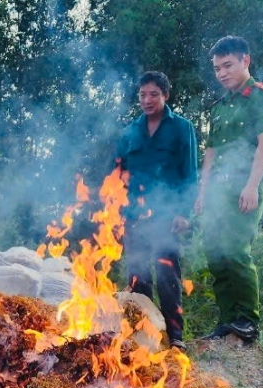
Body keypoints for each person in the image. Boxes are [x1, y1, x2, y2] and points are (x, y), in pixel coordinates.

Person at [196, 36, 263, 342]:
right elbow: (210, 153)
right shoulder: (219, 107)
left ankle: (247, 320)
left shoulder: (262, 96)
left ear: (246, 61)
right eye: (217, 68)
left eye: (227, 65)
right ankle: (227, 320)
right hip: (216, 193)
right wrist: (202, 194)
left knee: (235, 252)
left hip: (244, 188)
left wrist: (252, 186)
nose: (221, 73)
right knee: (215, 255)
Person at [116, 71, 198, 351]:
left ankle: (175, 337)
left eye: (153, 94)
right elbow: (117, 175)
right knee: (137, 276)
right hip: (133, 215)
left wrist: (184, 212)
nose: (147, 100)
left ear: (166, 95)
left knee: (167, 275)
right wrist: (115, 213)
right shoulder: (129, 132)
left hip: (166, 214)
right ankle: (143, 335)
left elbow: (190, 173)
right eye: (142, 95)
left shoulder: (182, 127)